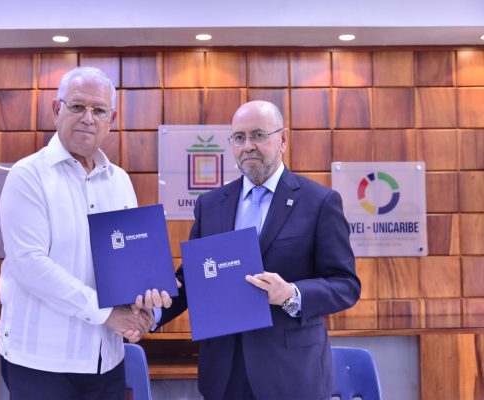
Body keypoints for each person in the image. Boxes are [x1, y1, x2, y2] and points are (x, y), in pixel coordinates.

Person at [155, 100, 361, 400]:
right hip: (224, 376)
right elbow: (192, 280)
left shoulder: (319, 202)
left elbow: (345, 284)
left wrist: (291, 294)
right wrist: (151, 313)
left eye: (259, 135)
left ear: (283, 139)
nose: (248, 146)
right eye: (239, 138)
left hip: (292, 376)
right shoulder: (210, 205)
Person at [0, 66, 171, 400]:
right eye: (77, 106)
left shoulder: (120, 181)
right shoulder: (27, 176)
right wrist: (109, 314)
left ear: (111, 119)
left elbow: (128, 263)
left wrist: (144, 304)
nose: (88, 118)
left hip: (106, 360)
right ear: (56, 109)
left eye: (99, 110)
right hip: (41, 362)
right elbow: (31, 265)